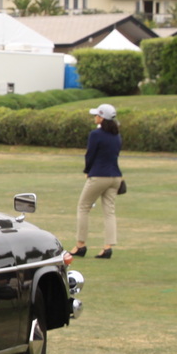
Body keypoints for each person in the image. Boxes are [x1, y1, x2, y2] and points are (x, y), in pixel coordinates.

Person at [73, 103, 123, 260]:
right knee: (109, 212)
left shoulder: (95, 135)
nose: (95, 117)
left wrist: (87, 171)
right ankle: (107, 247)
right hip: (115, 177)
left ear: (102, 118)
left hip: (99, 175)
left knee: (83, 207)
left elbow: (90, 155)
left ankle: (80, 245)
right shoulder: (117, 135)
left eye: (96, 115)